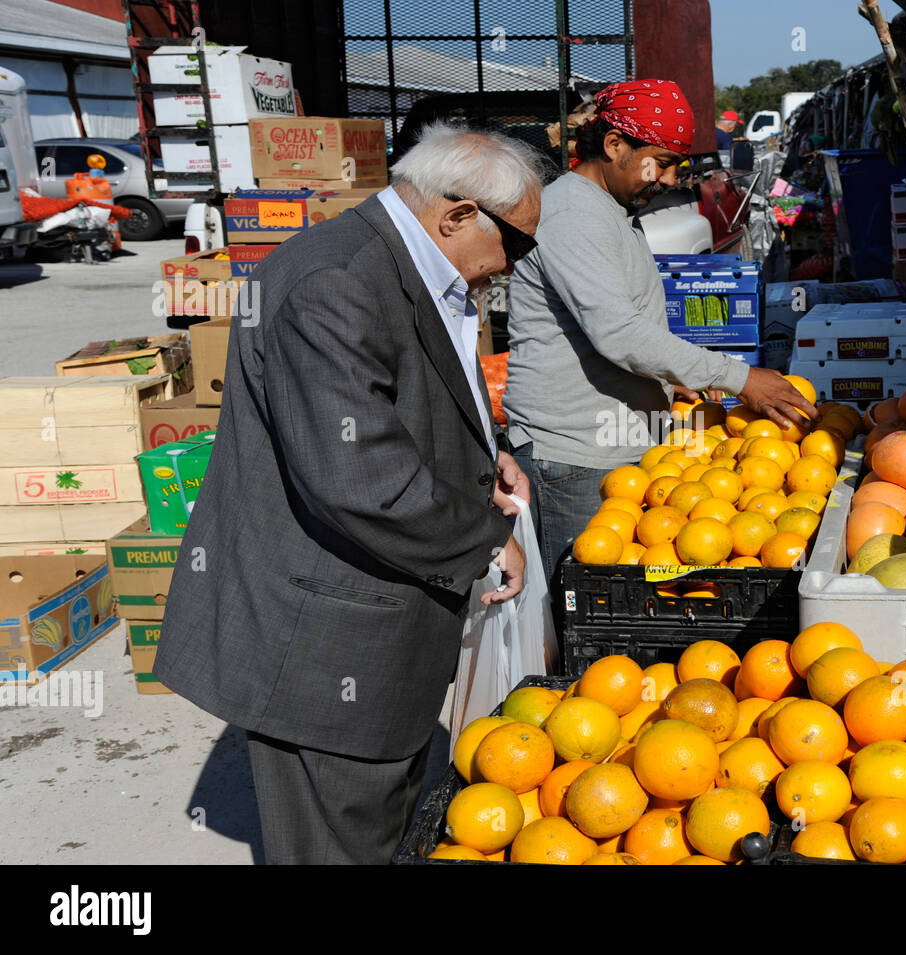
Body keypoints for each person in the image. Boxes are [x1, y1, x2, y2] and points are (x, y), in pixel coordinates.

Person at [153, 123, 546, 865]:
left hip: (376, 636)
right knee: (338, 842)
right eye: (516, 245)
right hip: (324, 642)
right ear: (457, 216)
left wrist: (484, 457)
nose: (514, 264)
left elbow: (417, 398)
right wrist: (486, 540)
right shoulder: (334, 281)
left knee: (380, 827)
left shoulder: (417, 267)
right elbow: (362, 478)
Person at [504, 79, 816, 582]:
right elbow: (619, 333)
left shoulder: (608, 209)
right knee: (590, 608)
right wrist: (738, 376)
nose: (671, 179)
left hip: (618, 451)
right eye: (662, 162)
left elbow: (628, 324)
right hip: (574, 458)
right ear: (614, 146)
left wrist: (679, 377)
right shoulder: (573, 214)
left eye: (677, 166)